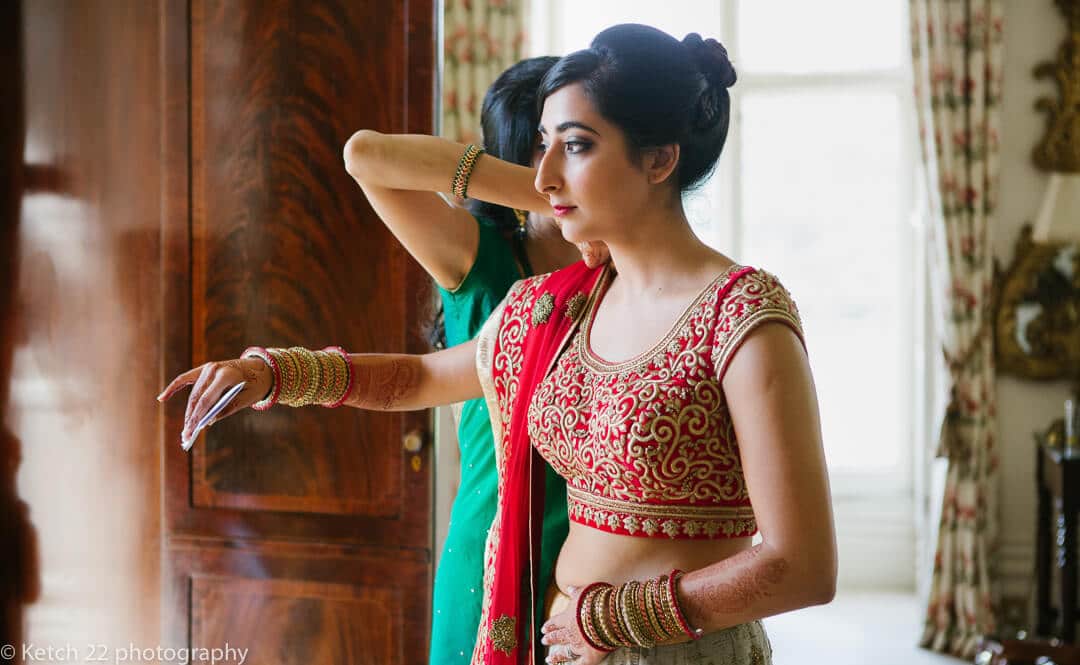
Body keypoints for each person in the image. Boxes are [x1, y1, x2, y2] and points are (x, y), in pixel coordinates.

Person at [159, 23, 836, 665]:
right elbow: (421, 380)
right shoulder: (555, 306)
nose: (539, 178)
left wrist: (615, 618)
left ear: (659, 157)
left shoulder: (742, 315)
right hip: (559, 640)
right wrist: (273, 373)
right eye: (540, 144)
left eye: (575, 145)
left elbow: (801, 564)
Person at [349, 55, 605, 664]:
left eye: (577, 144)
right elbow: (364, 155)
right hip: (488, 544)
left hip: (599, 551)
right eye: (554, 144)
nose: (568, 162)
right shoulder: (482, 259)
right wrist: (548, 187)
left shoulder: (621, 265)